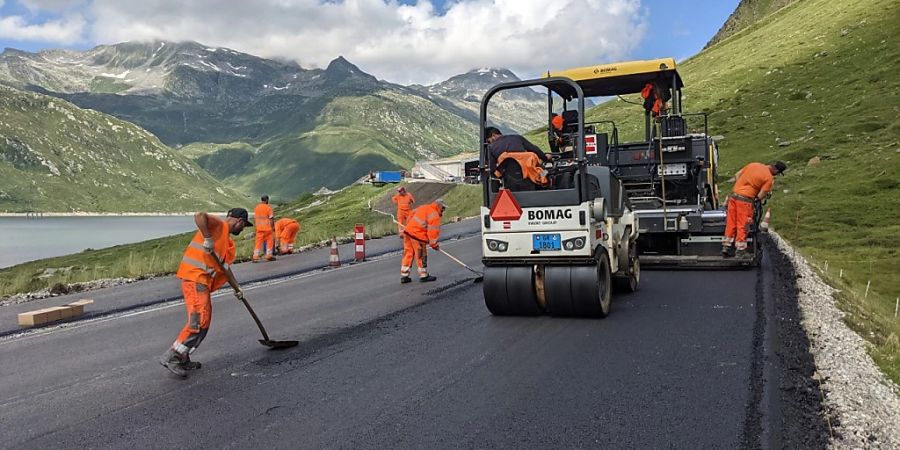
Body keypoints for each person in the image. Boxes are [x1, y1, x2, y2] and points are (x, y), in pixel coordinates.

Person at [159, 208, 253, 377]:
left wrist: (237, 288)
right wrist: (208, 238)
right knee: (198, 322)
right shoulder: (220, 226)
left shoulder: (226, 242)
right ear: (239, 221)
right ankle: (172, 356)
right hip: (195, 278)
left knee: (204, 324)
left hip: (202, 281)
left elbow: (225, 269)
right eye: (244, 225)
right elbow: (199, 215)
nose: (243, 229)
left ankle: (183, 356)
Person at [722, 161, 787, 257]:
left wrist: (741, 188)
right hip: (745, 201)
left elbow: (737, 175)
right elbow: (761, 195)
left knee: (731, 222)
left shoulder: (753, 165)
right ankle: (740, 250)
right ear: (776, 170)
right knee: (743, 224)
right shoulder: (768, 178)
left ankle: (726, 246)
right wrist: (755, 198)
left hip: (734, 197)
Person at [485, 127, 551, 190]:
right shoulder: (517, 138)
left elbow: (492, 169)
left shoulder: (491, 147)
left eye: (489, 141)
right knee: (546, 170)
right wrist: (545, 157)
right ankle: (545, 186)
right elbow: (535, 149)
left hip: (509, 182)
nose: (489, 143)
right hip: (530, 178)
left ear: (493, 135)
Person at [400, 199, 446, 284]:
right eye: (443, 208)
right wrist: (434, 244)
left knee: (408, 253)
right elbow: (433, 232)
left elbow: (410, 214)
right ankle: (423, 275)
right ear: (440, 207)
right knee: (421, 254)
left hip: (408, 232)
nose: (443, 211)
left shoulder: (423, 207)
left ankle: (404, 275)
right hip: (418, 236)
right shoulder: (434, 215)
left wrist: (408, 227)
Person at [252, 195, 275, 262]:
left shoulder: (257, 208)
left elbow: (255, 218)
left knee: (258, 243)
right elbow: (271, 218)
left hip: (259, 228)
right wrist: (273, 227)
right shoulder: (268, 208)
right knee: (269, 242)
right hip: (267, 228)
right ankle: (268, 256)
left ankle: (255, 257)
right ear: (267, 200)